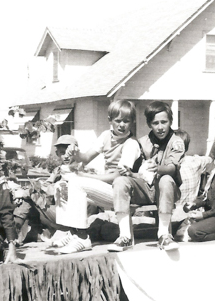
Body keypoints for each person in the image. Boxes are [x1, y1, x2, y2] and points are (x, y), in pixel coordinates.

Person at [53, 99, 143, 254]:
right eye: (118, 120)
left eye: (126, 121)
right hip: (108, 190)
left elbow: (117, 175)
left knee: (76, 182)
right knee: (61, 186)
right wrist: (75, 153)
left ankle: (82, 238)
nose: (122, 125)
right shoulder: (106, 136)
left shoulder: (131, 144)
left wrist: (85, 176)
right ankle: (73, 233)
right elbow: (86, 157)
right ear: (110, 120)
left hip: (125, 193)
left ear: (133, 122)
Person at [109, 101, 186, 251]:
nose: (160, 127)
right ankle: (124, 236)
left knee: (165, 179)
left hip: (166, 190)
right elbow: (141, 174)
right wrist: (131, 174)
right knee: (120, 181)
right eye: (155, 123)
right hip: (145, 188)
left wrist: (158, 168)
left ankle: (164, 235)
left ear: (170, 121)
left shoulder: (176, 142)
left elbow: (171, 168)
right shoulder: (142, 142)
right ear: (149, 124)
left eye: (164, 122)